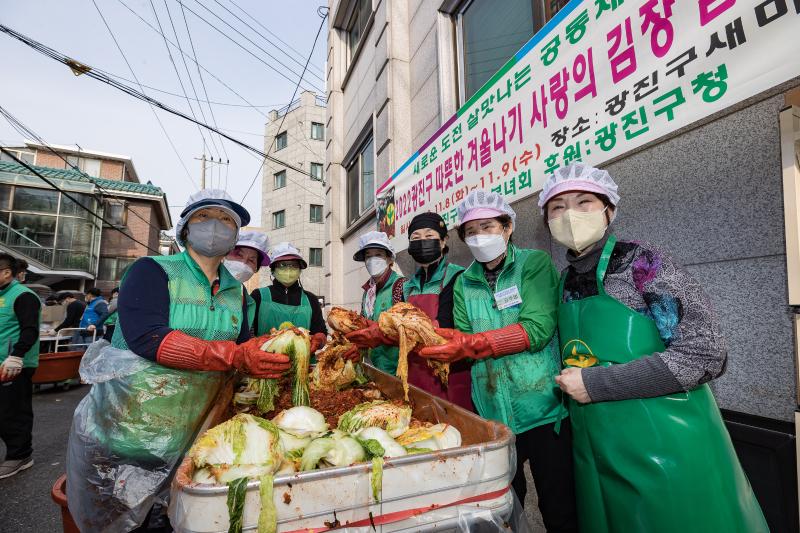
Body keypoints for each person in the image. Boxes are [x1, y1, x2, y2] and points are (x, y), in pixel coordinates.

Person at [539, 163, 767, 533]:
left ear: (609, 210)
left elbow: (704, 354)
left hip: (666, 445)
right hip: (597, 450)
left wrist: (596, 385)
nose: (570, 215)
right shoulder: (565, 279)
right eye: (558, 207)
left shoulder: (643, 264)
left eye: (584, 202)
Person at [66, 189, 291, 532]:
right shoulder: (152, 270)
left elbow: (242, 348)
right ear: (185, 229)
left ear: (234, 236)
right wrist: (234, 355)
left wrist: (276, 347)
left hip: (196, 433)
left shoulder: (236, 292)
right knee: (128, 523)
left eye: (226, 220)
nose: (215, 225)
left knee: (182, 520)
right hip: (132, 432)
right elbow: (148, 337)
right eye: (203, 217)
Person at [419, 190, 577, 532]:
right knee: (507, 500)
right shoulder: (465, 282)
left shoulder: (533, 264)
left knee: (558, 502)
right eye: (471, 231)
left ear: (507, 228)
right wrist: (442, 340)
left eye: (487, 227)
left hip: (542, 405)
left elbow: (537, 329)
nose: (479, 237)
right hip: (492, 409)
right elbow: (461, 333)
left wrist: (471, 343)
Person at [0, 254, 41, 480]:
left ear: (7, 273)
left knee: (12, 412)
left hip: (15, 365)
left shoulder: (24, 296)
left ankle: (20, 455)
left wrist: (17, 356)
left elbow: (30, 330)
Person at [251, 242, 327, 354]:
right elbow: (247, 332)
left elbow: (321, 332)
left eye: (294, 265)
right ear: (273, 269)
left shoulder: (310, 299)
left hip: (302, 364)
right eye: (282, 265)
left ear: (300, 270)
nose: (288, 269)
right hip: (264, 364)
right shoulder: (258, 296)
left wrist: (319, 339)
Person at [346, 231, 406, 372]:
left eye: (378, 255)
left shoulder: (401, 286)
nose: (372, 260)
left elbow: (407, 332)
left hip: (397, 371)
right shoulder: (368, 292)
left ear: (390, 259)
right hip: (374, 369)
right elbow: (362, 326)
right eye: (368, 256)